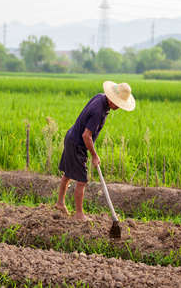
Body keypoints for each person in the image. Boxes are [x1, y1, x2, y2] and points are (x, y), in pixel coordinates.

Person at [54, 81, 135, 221]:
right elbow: (86, 135)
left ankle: (60, 203)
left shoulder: (100, 97)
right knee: (82, 180)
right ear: (112, 100)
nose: (119, 107)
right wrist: (94, 155)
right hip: (77, 144)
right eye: (119, 104)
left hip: (71, 137)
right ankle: (79, 214)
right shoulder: (99, 111)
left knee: (68, 173)